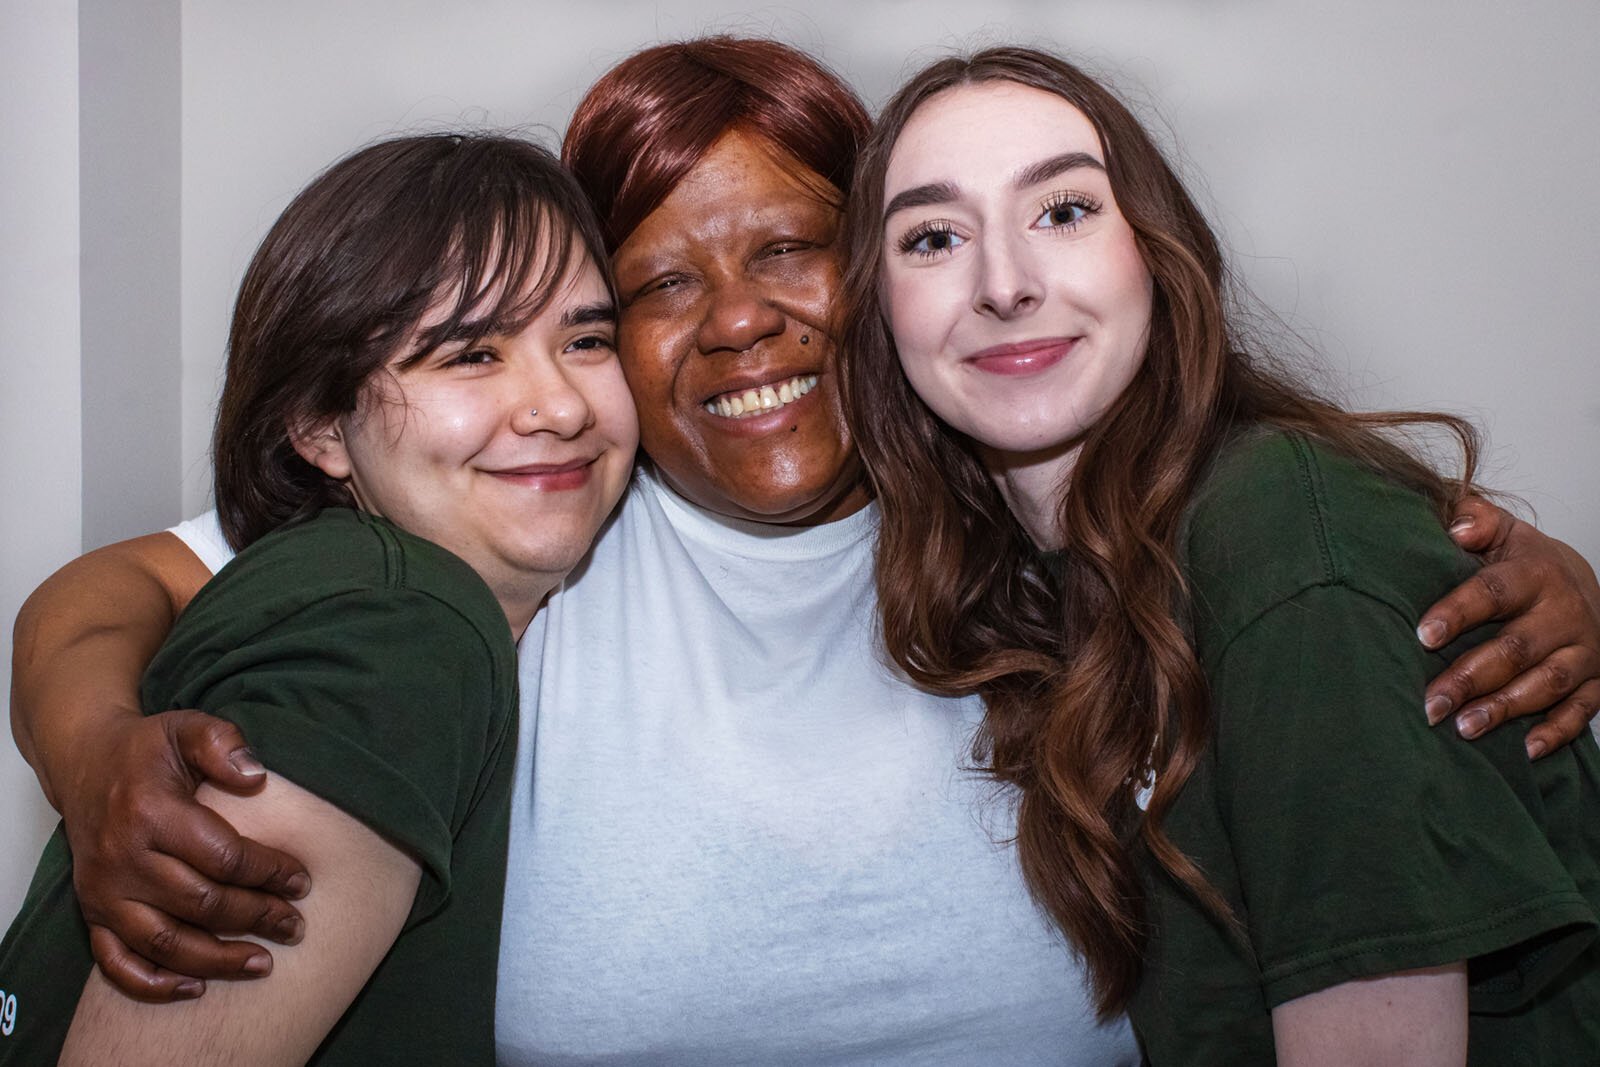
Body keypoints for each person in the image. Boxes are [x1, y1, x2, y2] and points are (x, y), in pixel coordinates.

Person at [9, 37, 1600, 1063]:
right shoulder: (537, 527)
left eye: (789, 248)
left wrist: (1482, 566)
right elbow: (120, 587)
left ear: (889, 275)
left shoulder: (1036, 523)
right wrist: (90, 753)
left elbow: (1303, 586)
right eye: (657, 284)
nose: (745, 318)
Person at [839, 46, 1600, 1063]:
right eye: (932, 237)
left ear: (1155, 251)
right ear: (880, 315)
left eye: (1063, 211)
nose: (1005, 284)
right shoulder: (1062, 584)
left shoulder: (1281, 530)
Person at [0, 132, 637, 1064]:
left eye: (586, 339)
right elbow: (104, 592)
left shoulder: (363, 568)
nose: (561, 405)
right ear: (319, 428)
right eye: (470, 355)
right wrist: (92, 746)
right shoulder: (401, 626)